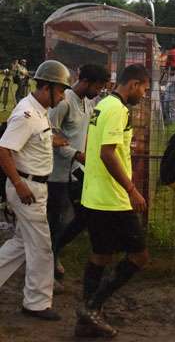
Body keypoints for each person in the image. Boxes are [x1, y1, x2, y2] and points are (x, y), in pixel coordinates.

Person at [75, 64, 150, 338]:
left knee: (101, 255)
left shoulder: (103, 104)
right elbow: (108, 153)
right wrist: (131, 189)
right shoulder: (118, 109)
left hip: (93, 195)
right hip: (113, 199)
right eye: (143, 88)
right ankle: (93, 307)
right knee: (140, 256)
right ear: (133, 84)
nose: (143, 94)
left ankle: (86, 322)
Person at [0, 60, 71, 321]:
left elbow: (33, 139)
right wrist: (19, 184)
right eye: (61, 90)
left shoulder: (39, 111)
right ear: (47, 87)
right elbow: (4, 150)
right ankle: (37, 303)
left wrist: (53, 140)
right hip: (27, 187)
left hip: (32, 186)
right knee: (42, 247)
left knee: (20, 243)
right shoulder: (26, 114)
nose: (63, 96)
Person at [48, 64, 110, 280]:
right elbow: (49, 135)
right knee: (57, 221)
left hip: (78, 171)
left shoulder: (88, 103)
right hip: (57, 174)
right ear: (86, 82)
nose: (100, 91)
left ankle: (54, 252)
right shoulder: (63, 102)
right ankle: (48, 266)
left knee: (82, 216)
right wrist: (75, 153)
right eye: (98, 86)